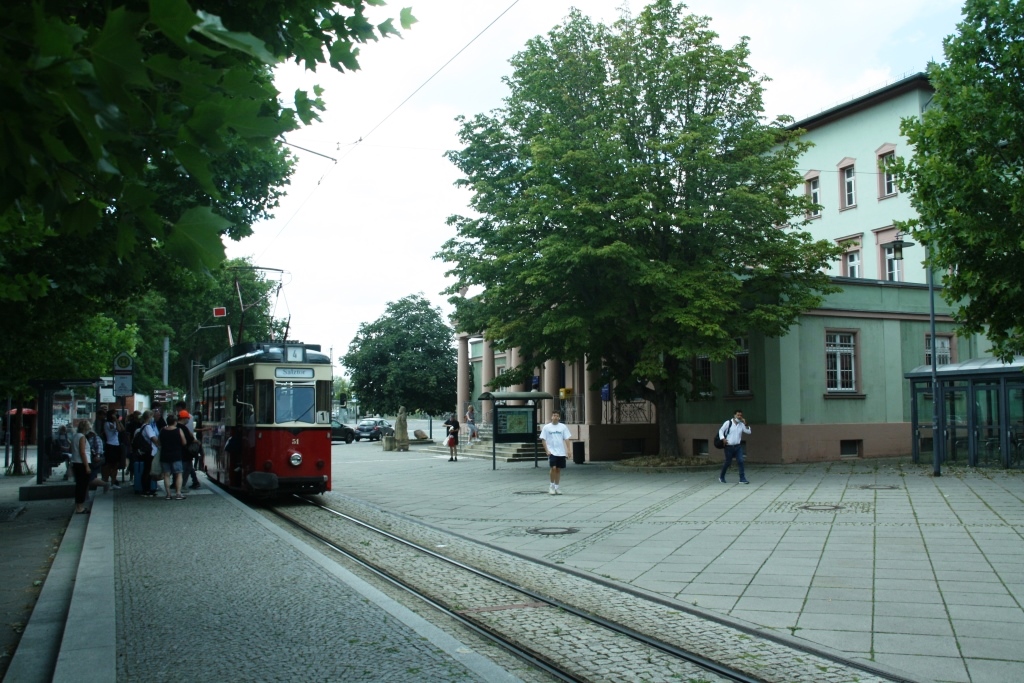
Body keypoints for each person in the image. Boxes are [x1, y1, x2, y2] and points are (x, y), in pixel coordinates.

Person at [72, 420, 108, 513]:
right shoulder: (82, 437)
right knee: (83, 486)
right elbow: (83, 452)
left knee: (79, 485)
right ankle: (80, 507)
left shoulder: (75, 436)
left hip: (76, 462)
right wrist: (87, 466)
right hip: (82, 463)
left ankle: (78, 506)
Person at [540, 411, 572, 495]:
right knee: (553, 468)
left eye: (557, 416)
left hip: (561, 452)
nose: (555, 417)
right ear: (551, 417)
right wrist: (547, 450)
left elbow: (567, 439)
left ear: (559, 418)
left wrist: (568, 450)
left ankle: (557, 487)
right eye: (554, 415)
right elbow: (543, 439)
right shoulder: (547, 427)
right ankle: (551, 486)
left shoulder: (563, 427)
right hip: (552, 451)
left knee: (558, 469)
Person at [159, 413, 187, 500]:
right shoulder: (179, 430)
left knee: (166, 475)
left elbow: (159, 442)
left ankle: (168, 494)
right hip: (176, 455)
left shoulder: (162, 430)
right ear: (175, 422)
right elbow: (184, 442)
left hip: (164, 455)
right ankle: (178, 494)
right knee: (178, 474)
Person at [718, 410, 751, 484]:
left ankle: (742, 479)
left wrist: (746, 423)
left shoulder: (741, 424)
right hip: (729, 446)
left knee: (741, 461)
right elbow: (721, 430)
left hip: (738, 446)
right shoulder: (728, 423)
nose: (739, 417)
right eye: (738, 415)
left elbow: (748, 432)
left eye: (740, 415)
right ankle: (721, 477)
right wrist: (723, 439)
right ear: (734, 415)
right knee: (728, 462)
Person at [101, 409, 122, 489]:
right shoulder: (107, 424)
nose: (116, 416)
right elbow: (118, 429)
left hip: (116, 445)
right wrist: (116, 420)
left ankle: (113, 482)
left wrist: (118, 421)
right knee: (109, 465)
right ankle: (106, 482)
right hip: (110, 445)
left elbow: (121, 429)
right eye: (114, 414)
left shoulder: (114, 423)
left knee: (115, 465)